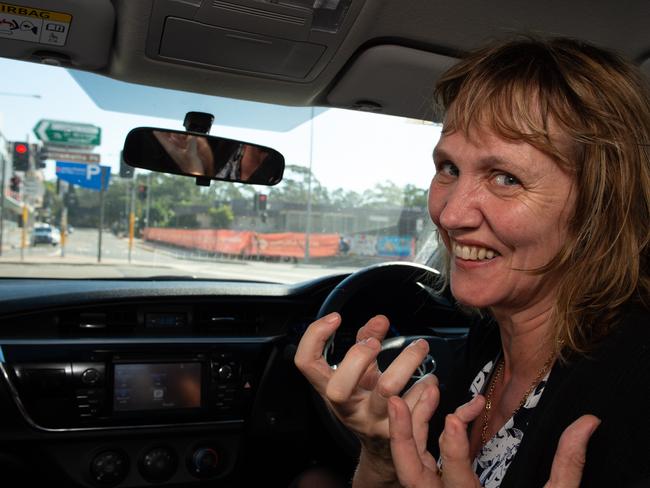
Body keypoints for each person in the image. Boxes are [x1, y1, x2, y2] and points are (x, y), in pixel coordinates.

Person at [295, 37, 650, 488]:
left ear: (601, 207)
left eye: (506, 178)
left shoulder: (634, 387)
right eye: (449, 168)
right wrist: (383, 456)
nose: (450, 214)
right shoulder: (485, 346)